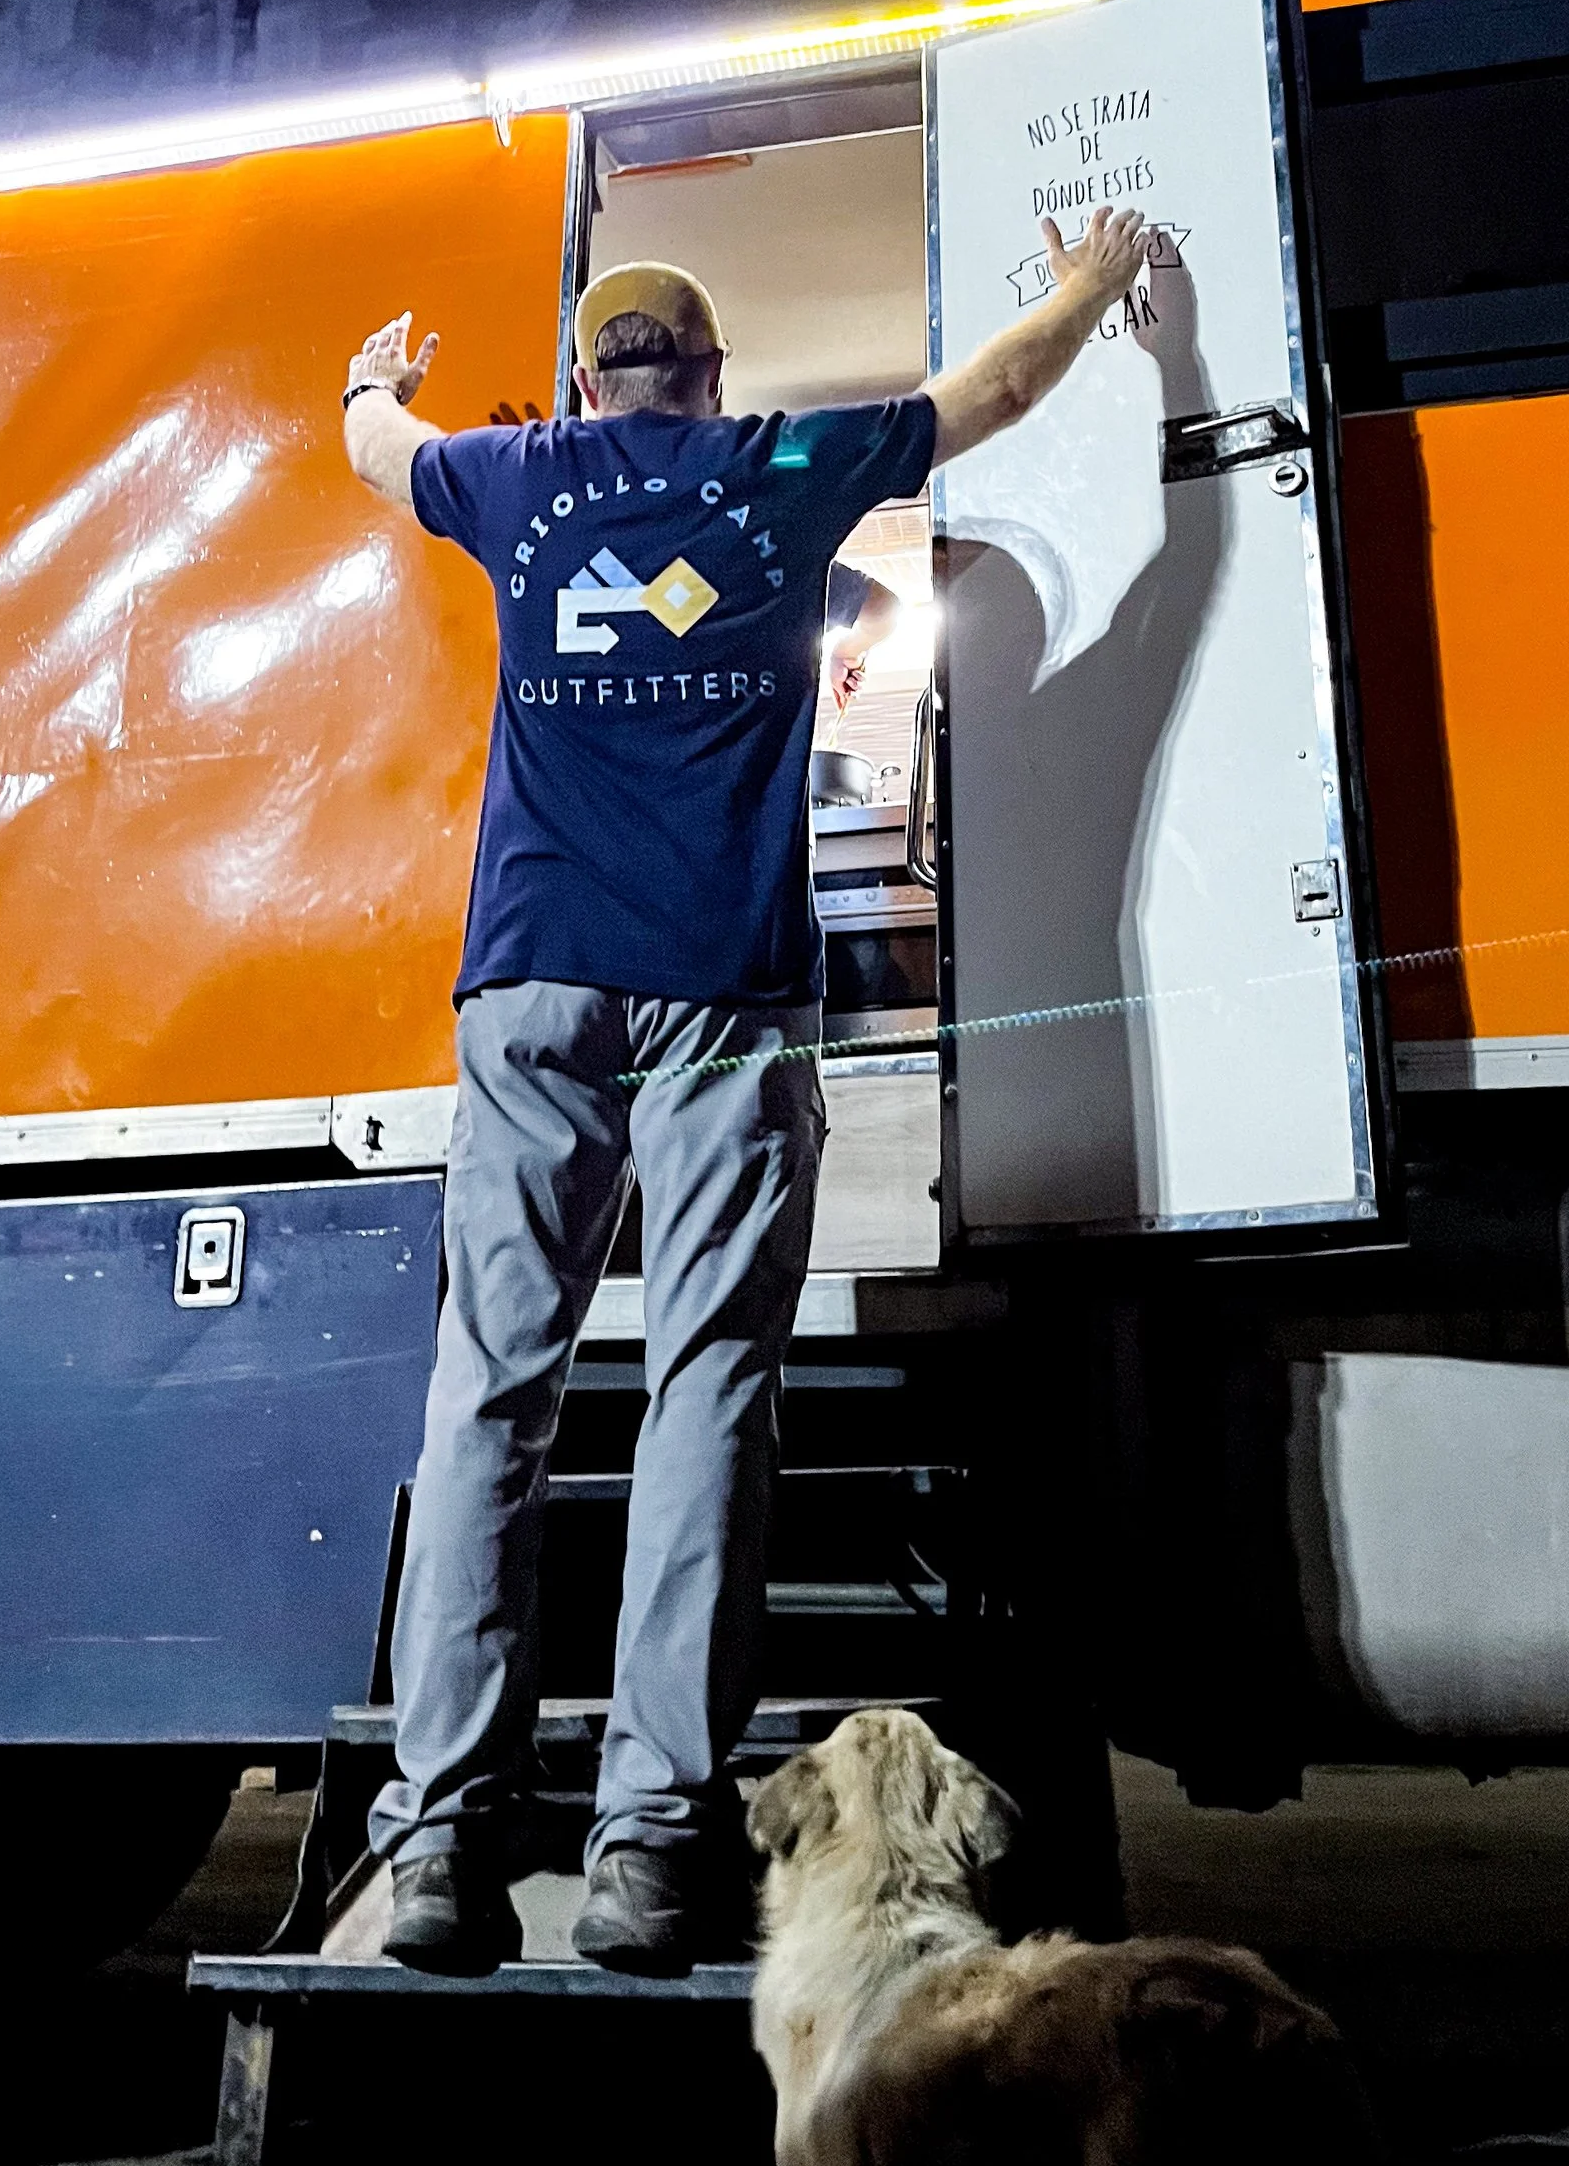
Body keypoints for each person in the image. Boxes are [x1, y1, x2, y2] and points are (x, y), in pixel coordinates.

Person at [340, 201, 1152, 1972]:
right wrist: (1101, 277)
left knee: (489, 1399)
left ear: (582, 375)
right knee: (711, 1389)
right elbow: (997, 387)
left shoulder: (513, 474)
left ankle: (438, 1858)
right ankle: (645, 1850)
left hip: (533, 982)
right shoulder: (781, 466)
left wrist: (373, 378)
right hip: (720, 988)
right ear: (710, 376)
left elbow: (375, 445)